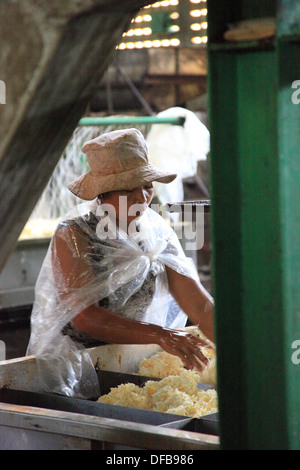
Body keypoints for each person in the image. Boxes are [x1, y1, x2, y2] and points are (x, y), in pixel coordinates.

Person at [27, 128, 214, 399]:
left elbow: (198, 304)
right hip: (77, 366)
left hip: (129, 358)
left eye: (147, 186)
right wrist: (162, 335)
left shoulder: (158, 233)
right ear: (102, 194)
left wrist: (236, 349)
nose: (142, 197)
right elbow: (85, 318)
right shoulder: (75, 234)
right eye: (129, 189)